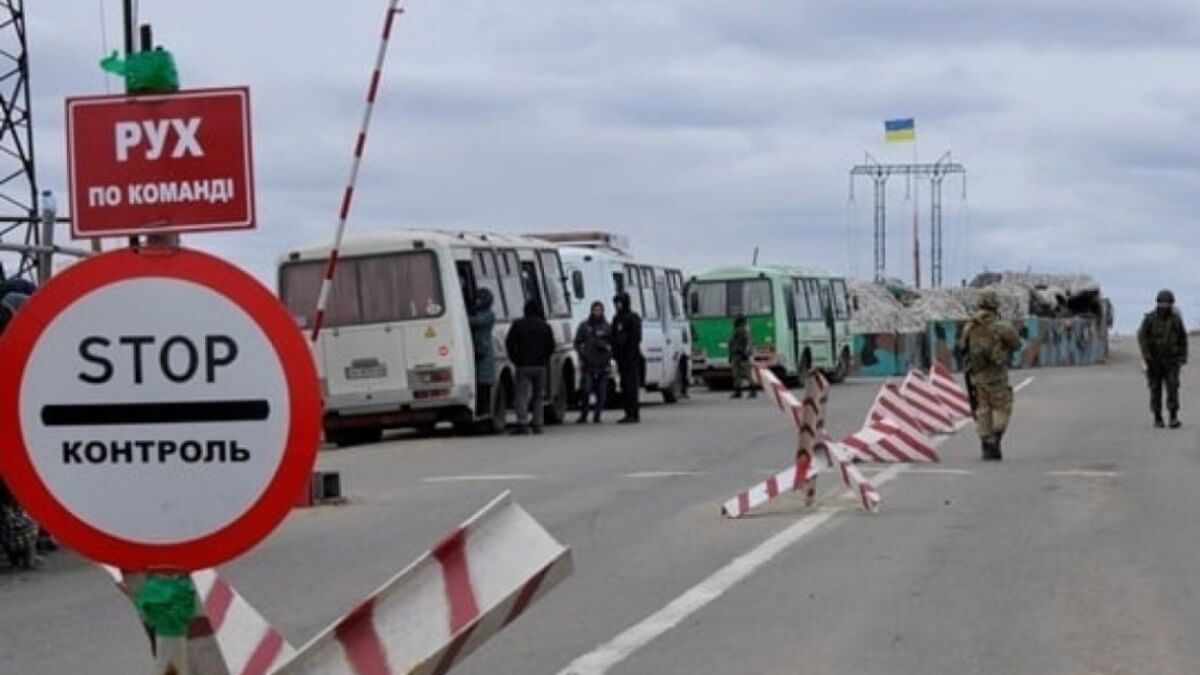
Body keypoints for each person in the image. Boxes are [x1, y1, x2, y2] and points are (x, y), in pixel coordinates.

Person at [958, 291, 1021, 461]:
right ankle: (995, 438)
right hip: (996, 374)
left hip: (977, 375)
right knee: (1002, 407)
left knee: (983, 409)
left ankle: (986, 444)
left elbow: (962, 347)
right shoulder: (1001, 327)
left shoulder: (969, 327)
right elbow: (1016, 344)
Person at [1138, 289, 1187, 428]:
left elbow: (1182, 338)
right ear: (1158, 303)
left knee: (1173, 387)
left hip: (1172, 361)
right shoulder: (1149, 319)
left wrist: (1182, 356)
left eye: (1167, 303)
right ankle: (1157, 417)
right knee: (1155, 389)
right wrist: (1146, 355)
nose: (1165, 305)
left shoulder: (1175, 320)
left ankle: (1173, 417)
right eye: (1162, 303)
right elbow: (1142, 337)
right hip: (1154, 360)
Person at [506, 300, 557, 435]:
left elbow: (509, 343)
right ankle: (537, 424)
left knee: (522, 395)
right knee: (538, 396)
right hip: (540, 366)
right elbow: (551, 346)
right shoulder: (545, 326)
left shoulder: (518, 325)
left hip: (523, 365)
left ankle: (522, 423)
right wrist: (544, 359)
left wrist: (515, 359)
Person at [574, 301, 613, 424]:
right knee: (585, 391)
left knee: (601, 393)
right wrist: (582, 354)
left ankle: (597, 415)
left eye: (599, 310)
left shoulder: (607, 327)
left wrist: (607, 351)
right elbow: (577, 342)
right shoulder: (585, 326)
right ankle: (584, 415)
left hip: (603, 365)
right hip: (588, 365)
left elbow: (613, 344)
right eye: (595, 310)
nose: (597, 312)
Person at [612, 292, 643, 424]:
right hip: (621, 358)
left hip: (631, 357)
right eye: (616, 303)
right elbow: (613, 335)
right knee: (624, 386)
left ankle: (633, 413)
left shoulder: (633, 317)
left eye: (620, 302)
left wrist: (630, 352)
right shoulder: (617, 318)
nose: (618, 305)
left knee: (631, 386)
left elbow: (636, 337)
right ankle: (627, 412)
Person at [468, 289, 497, 417]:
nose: (477, 302)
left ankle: (485, 414)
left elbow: (476, 321)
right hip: (478, 356)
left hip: (484, 357)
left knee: (484, 389)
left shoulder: (489, 315)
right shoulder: (481, 313)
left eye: (479, 299)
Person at [728, 315, 757, 399]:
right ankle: (741, 391)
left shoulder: (742, 331)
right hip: (738, 355)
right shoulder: (742, 331)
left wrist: (744, 353)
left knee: (743, 374)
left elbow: (744, 344)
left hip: (740, 355)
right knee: (739, 374)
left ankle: (743, 391)